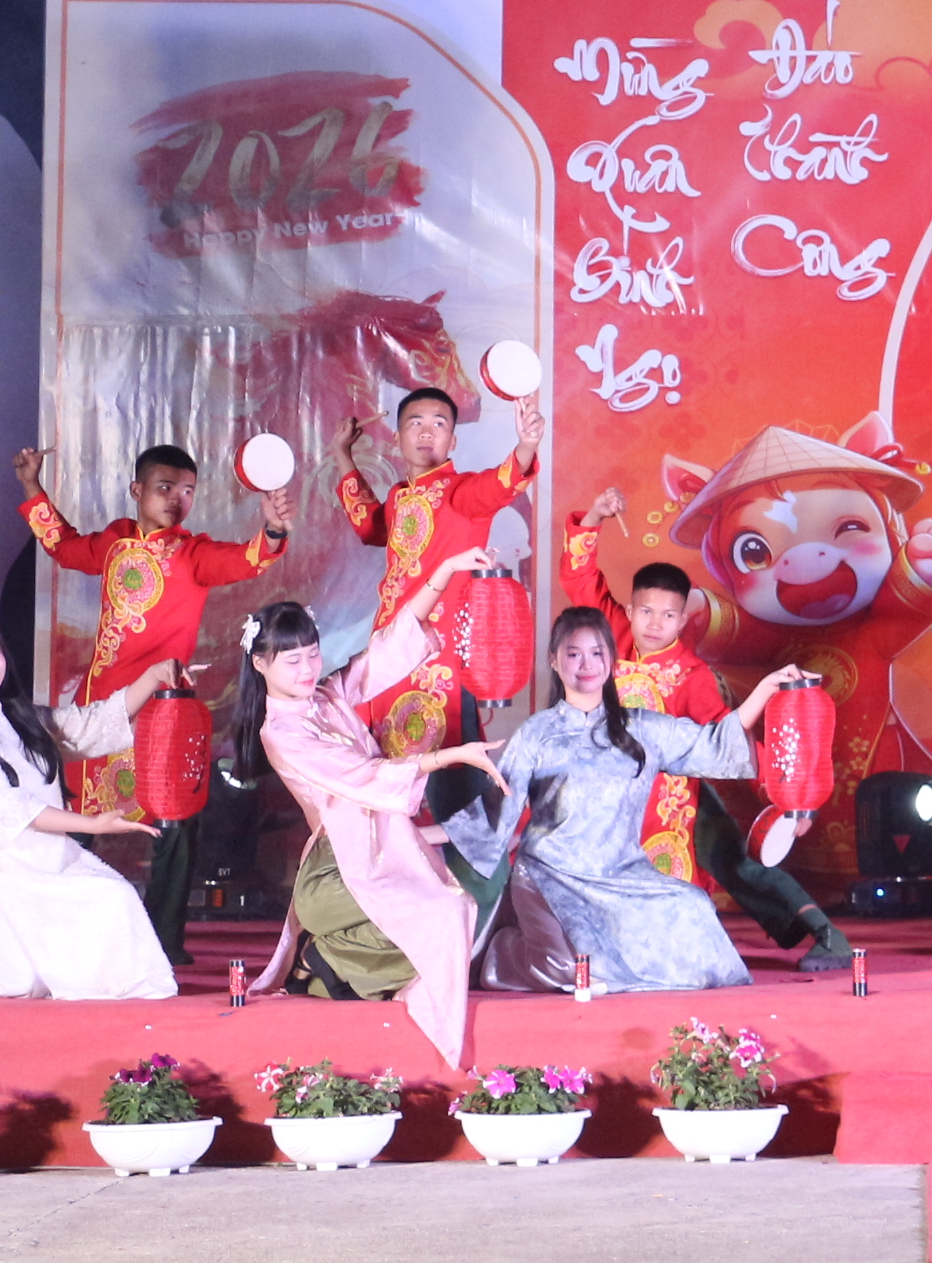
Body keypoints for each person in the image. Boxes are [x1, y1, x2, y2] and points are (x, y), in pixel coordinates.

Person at [14, 440, 290, 961]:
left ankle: (165, 944)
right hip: (102, 709)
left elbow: (245, 560)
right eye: (165, 488)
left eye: (187, 491)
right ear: (136, 490)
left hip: (164, 712)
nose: (176, 500)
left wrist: (273, 531)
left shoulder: (193, 553)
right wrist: (31, 484)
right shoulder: (115, 543)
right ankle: (56, 938)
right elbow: (64, 546)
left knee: (175, 825)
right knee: (79, 823)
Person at [452, 606, 821, 993]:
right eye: (573, 653)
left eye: (597, 653)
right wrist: (423, 837)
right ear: (555, 661)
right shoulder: (537, 733)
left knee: (692, 908)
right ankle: (501, 956)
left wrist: (766, 689)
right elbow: (497, 810)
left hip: (623, 875)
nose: (586, 664)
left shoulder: (641, 728)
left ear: (611, 661)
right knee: (575, 972)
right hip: (550, 876)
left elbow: (713, 743)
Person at [566, 488, 858, 970]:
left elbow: (729, 737)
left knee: (733, 862)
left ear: (683, 619)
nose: (654, 624)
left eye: (667, 615)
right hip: (613, 793)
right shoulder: (613, 637)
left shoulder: (692, 675)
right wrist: (595, 514)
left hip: (675, 795)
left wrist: (790, 800)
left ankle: (826, 933)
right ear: (630, 611)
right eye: (645, 612)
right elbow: (581, 581)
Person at [241, 547, 505, 1066]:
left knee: (456, 911)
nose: (307, 668)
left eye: (312, 654)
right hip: (336, 873)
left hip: (380, 850)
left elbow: (386, 651)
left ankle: (329, 967)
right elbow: (362, 775)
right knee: (438, 917)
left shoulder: (326, 698)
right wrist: (449, 755)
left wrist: (443, 572)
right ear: (260, 664)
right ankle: (327, 959)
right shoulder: (282, 733)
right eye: (292, 660)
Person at [0, 608, 179, 1002]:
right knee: (16, 982)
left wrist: (153, 676)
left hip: (43, 861)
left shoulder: (22, 718)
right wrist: (93, 824)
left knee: (116, 898)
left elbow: (90, 725)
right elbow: (9, 808)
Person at [332, 383, 540, 772]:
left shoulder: (462, 493)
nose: (427, 432)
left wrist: (526, 445)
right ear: (396, 439)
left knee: (444, 770)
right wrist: (343, 455)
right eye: (416, 422)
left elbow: (500, 484)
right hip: (389, 645)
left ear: (453, 440)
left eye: (439, 423)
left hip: (439, 651)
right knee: (385, 762)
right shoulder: (398, 497)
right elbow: (370, 527)